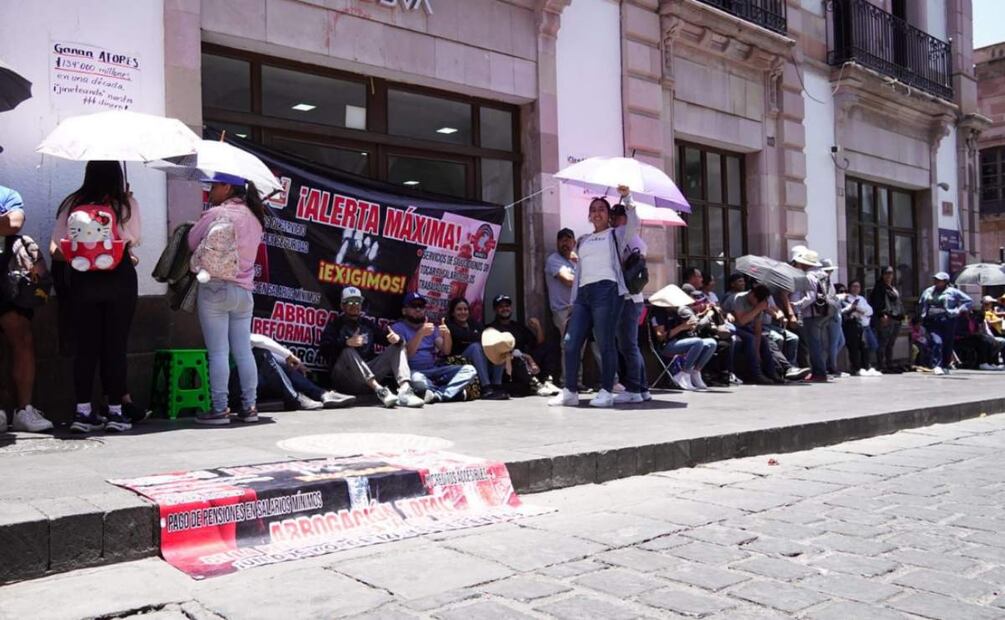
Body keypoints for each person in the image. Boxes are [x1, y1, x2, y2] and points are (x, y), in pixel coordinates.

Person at [50, 162, 141, 433]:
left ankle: (82, 412)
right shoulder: (125, 204)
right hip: (119, 278)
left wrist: (83, 254)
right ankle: (115, 412)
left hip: (83, 280)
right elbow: (134, 239)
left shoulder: (73, 204)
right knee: (115, 346)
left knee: (85, 347)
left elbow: (55, 249)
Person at [549, 187, 638, 407]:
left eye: (601, 209)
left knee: (604, 341)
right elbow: (579, 270)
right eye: (593, 210)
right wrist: (574, 299)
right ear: (589, 216)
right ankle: (570, 391)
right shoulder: (583, 240)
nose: (597, 213)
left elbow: (633, 223)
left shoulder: (616, 235)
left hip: (607, 290)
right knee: (570, 342)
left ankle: (607, 391)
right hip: (583, 294)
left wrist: (627, 198)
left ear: (609, 215)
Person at [187, 172, 264, 424]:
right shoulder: (255, 217)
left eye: (214, 187)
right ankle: (250, 407)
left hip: (215, 288)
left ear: (227, 187)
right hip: (244, 292)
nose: (210, 191)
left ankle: (220, 408)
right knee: (244, 352)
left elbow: (191, 242)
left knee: (218, 352)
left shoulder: (217, 213)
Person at [0, 184, 51, 433]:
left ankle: (24, 410)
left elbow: (14, 223)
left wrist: (7, 222)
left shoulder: (7, 194)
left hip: (6, 275)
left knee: (21, 337)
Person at [319, 287, 424, 408]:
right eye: (350, 302)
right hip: (345, 380)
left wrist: (397, 339)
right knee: (348, 350)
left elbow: (387, 339)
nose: (354, 305)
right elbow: (324, 350)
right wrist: (346, 342)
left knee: (397, 346)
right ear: (342, 306)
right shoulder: (335, 324)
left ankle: (405, 390)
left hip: (368, 378)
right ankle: (381, 391)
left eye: (357, 302)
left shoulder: (367, 324)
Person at [391, 292, 476, 403]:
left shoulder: (431, 328)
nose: (418, 309)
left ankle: (437, 395)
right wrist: (420, 334)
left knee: (469, 370)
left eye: (421, 306)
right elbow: (407, 354)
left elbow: (446, 351)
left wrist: (447, 335)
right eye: (413, 306)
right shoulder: (397, 328)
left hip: (435, 370)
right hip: (414, 372)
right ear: (404, 311)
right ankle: (452, 393)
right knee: (419, 382)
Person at [240, 334, 355, 410]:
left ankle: (321, 394)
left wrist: (289, 357)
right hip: (236, 392)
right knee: (263, 355)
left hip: (246, 384)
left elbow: (257, 339)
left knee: (279, 359)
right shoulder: (231, 333)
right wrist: (289, 355)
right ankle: (294, 398)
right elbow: (257, 340)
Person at [545, 227, 599, 389]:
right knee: (569, 345)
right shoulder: (554, 260)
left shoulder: (577, 261)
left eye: (568, 240)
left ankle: (577, 381)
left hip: (579, 308)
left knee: (579, 346)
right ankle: (567, 382)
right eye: (562, 240)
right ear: (557, 242)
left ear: (574, 243)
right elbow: (567, 280)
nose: (565, 243)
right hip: (563, 310)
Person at [611, 202, 649, 404]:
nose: (613, 219)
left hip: (628, 298)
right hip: (635, 298)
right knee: (631, 346)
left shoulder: (621, 234)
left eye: (617, 215)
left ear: (626, 217)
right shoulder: (638, 240)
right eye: (613, 215)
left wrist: (627, 200)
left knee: (628, 346)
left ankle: (634, 388)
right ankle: (642, 388)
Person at [486, 294, 559, 396]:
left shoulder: (518, 326)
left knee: (548, 347)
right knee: (516, 358)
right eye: (501, 306)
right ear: (495, 310)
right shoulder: (491, 329)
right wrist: (528, 358)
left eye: (507, 306)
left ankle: (548, 382)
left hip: (526, 360)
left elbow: (539, 343)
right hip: (509, 364)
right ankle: (536, 385)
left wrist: (538, 327)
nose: (505, 309)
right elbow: (497, 353)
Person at [446, 297, 507, 400]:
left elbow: (486, 336)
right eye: (459, 309)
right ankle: (486, 388)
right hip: (460, 360)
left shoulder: (473, 323)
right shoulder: (449, 325)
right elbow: (462, 336)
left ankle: (497, 385)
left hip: (480, 359)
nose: (463, 312)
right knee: (475, 346)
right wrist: (476, 336)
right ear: (452, 313)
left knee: (499, 347)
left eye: (465, 309)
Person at [649, 298, 716, 391]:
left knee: (711, 343)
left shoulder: (677, 311)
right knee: (697, 342)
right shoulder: (658, 314)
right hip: (665, 346)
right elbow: (661, 337)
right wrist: (682, 327)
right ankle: (683, 373)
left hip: (680, 341)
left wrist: (692, 324)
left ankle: (695, 372)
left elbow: (692, 326)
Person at [919, 272, 973, 375]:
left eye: (939, 280)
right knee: (937, 342)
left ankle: (945, 365)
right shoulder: (928, 291)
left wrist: (959, 310)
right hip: (932, 320)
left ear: (945, 282)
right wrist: (922, 315)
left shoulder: (952, 292)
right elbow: (921, 303)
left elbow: (968, 301)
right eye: (935, 279)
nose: (936, 282)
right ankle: (937, 365)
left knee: (948, 343)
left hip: (948, 320)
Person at [788, 248, 829, 382]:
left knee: (813, 344)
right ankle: (819, 371)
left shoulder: (809, 276)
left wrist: (795, 305)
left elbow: (810, 297)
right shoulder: (820, 275)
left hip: (812, 315)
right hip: (820, 313)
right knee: (817, 343)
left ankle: (819, 373)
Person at [729, 283, 778, 384]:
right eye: (756, 301)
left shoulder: (759, 303)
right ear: (752, 294)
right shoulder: (739, 298)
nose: (755, 304)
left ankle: (772, 372)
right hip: (732, 325)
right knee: (750, 338)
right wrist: (757, 309)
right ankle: (756, 374)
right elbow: (741, 321)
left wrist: (757, 352)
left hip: (746, 328)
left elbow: (758, 328)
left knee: (763, 339)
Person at [868, 266, 905, 372]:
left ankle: (889, 364)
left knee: (890, 343)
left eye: (891, 273)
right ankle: (881, 365)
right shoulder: (879, 287)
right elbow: (877, 303)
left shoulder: (892, 287)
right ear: (882, 275)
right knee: (883, 342)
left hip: (896, 318)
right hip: (886, 318)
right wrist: (881, 315)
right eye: (886, 273)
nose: (889, 275)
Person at [839, 280, 876, 376]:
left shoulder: (861, 298)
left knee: (866, 346)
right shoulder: (846, 298)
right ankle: (856, 368)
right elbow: (849, 310)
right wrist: (858, 310)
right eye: (854, 286)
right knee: (854, 347)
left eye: (858, 286)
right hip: (851, 325)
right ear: (850, 288)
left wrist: (861, 311)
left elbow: (870, 311)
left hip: (863, 325)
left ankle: (866, 366)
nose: (856, 288)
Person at [820, 260, 846, 378]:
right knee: (833, 343)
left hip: (835, 313)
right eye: (828, 270)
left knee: (840, 342)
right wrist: (839, 298)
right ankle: (832, 367)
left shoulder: (828, 282)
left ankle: (830, 364)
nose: (830, 272)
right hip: (832, 315)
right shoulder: (823, 282)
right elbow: (828, 299)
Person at [977, 296, 1004, 370]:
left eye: (991, 303)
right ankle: (987, 362)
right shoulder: (983, 313)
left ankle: (993, 362)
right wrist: (1000, 320)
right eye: (989, 303)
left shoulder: (990, 312)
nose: (991, 305)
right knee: (990, 341)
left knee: (999, 341)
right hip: (982, 335)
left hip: (990, 333)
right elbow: (985, 325)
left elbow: (986, 327)